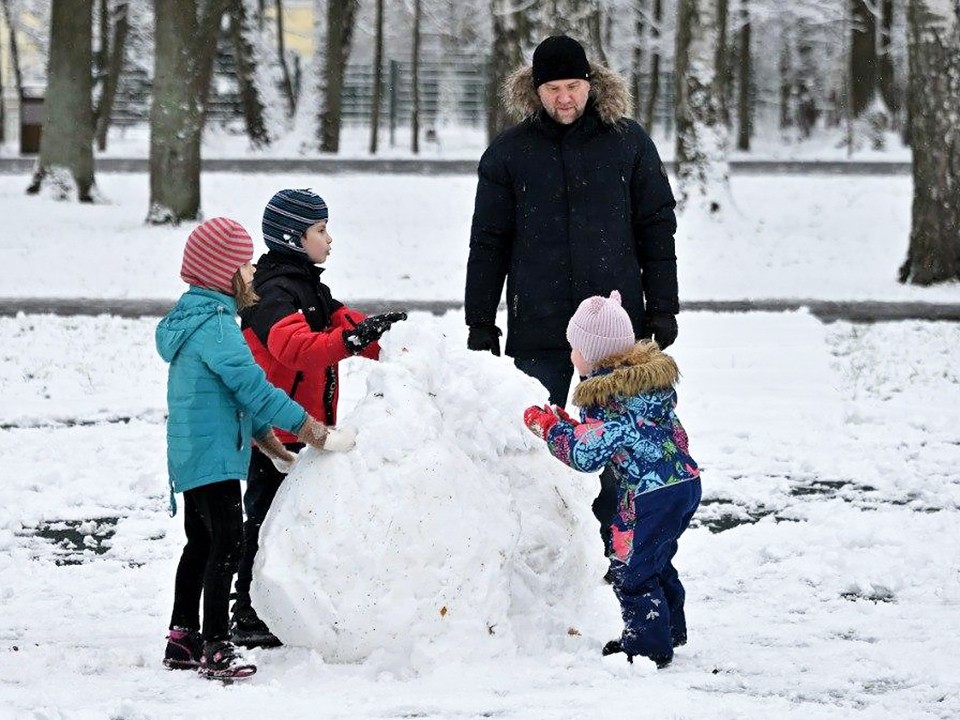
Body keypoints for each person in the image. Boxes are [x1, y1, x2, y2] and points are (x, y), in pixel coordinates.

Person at [465, 33, 681, 545]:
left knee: (618, 445)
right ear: (534, 92)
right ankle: (539, 545)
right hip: (537, 323)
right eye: (553, 88)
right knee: (532, 435)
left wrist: (663, 309)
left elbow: (657, 226)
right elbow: (488, 243)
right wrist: (480, 320)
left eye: (574, 86)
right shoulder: (509, 153)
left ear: (592, 84)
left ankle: (617, 547)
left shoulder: (627, 142)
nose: (565, 98)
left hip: (613, 331)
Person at [156, 217, 330, 680]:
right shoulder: (217, 327)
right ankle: (216, 643)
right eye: (245, 263)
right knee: (227, 544)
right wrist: (310, 428)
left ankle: (182, 637)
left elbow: (235, 395)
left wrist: (270, 444)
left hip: (195, 452)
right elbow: (255, 389)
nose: (253, 270)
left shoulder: (198, 320)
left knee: (202, 542)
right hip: (213, 456)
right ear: (224, 273)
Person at [233, 188, 406, 648]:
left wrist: (385, 342)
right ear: (294, 236)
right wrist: (349, 343)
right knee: (265, 520)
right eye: (321, 230)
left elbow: (338, 320)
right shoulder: (270, 292)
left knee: (292, 519)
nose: (329, 239)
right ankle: (248, 612)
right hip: (274, 433)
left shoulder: (307, 284)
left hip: (303, 429)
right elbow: (295, 349)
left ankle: (282, 603)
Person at [522, 291, 700, 669]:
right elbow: (607, 437)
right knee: (655, 559)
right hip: (682, 483)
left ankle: (647, 646)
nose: (570, 355)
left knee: (631, 569)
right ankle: (668, 629)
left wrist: (551, 429)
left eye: (574, 348)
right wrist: (572, 426)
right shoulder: (641, 388)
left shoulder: (607, 398)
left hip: (650, 495)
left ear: (590, 354)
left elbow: (586, 455)